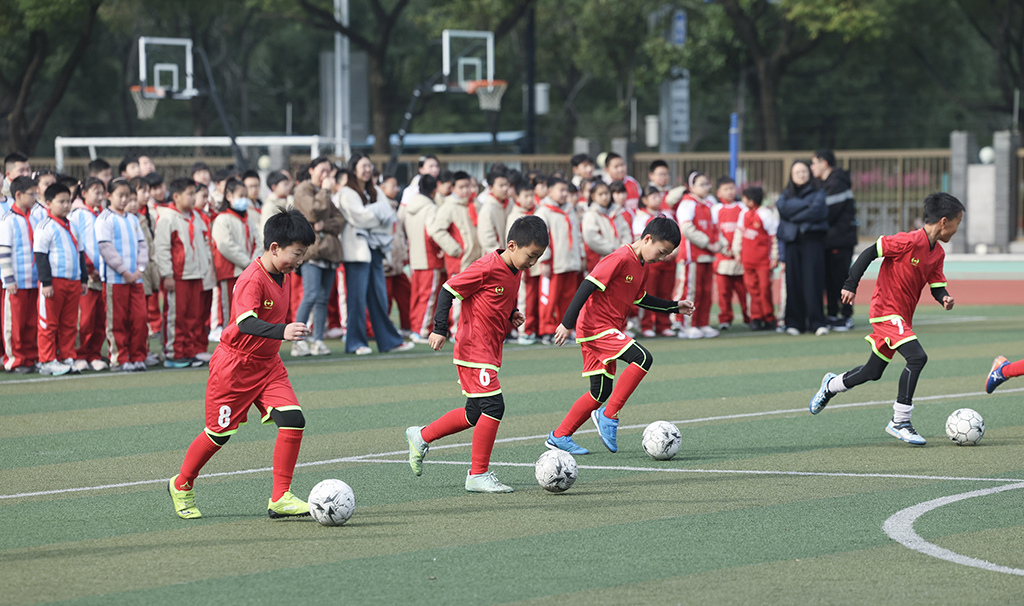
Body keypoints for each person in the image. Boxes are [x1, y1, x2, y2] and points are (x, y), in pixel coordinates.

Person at [168, 210, 317, 520]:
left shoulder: (284, 274)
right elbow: (246, 322)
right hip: (234, 366)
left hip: (268, 365)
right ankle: (181, 484)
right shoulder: (251, 278)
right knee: (218, 434)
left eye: (303, 254)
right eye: (297, 253)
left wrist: (288, 329)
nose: (299, 260)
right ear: (275, 248)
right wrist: (283, 331)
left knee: (293, 419)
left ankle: (281, 497)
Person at [405, 216, 549, 492]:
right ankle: (477, 474)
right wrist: (439, 329)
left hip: (490, 350)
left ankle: (421, 436)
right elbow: (448, 290)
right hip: (474, 348)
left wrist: (511, 314)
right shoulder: (485, 267)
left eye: (537, 257)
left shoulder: (514, 269)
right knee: (494, 406)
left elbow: (494, 298)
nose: (532, 263)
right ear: (512, 245)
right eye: (531, 256)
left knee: (474, 412)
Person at [809, 192, 963, 445]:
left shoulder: (938, 253)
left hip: (902, 318)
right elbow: (870, 252)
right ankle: (900, 420)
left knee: (873, 371)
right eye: (958, 222)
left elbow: (935, 284)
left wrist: (943, 297)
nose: (958, 228)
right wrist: (850, 284)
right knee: (917, 357)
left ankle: (831, 385)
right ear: (944, 221)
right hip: (885, 311)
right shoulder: (908, 240)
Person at [545, 217, 693, 455]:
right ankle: (609, 416)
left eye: (667, 255)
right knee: (643, 358)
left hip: (607, 329)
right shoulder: (620, 258)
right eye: (661, 251)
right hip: (596, 327)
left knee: (599, 392)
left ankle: (560, 435)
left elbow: (641, 298)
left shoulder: (642, 265)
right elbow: (587, 284)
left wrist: (674, 306)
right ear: (647, 239)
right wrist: (566, 323)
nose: (662, 258)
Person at [339, 153, 413, 355]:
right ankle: (355, 343)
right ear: (353, 169)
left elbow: (388, 216)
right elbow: (359, 218)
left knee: (379, 296)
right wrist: (377, 215)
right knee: (356, 298)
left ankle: (389, 341)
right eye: (363, 166)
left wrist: (375, 215)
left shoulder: (375, 191)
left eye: (369, 166)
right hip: (356, 252)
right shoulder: (347, 192)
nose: (367, 169)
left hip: (377, 250)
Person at [291, 155, 345, 357]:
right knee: (310, 295)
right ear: (311, 170)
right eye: (322, 170)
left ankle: (318, 341)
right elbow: (314, 212)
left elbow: (339, 220)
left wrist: (324, 225)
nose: (326, 175)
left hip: (329, 253)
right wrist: (325, 191)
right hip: (311, 252)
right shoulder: (303, 189)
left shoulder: (323, 192)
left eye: (329, 171)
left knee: (322, 299)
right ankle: (298, 341)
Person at [96, 179, 150, 371]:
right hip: (115, 280)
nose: (124, 199)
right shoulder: (104, 219)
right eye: (120, 195)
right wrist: (124, 271)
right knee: (117, 320)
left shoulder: (133, 219)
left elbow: (143, 245)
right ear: (109, 196)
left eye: (127, 195)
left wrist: (139, 270)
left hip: (136, 279)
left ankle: (138, 356)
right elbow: (105, 248)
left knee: (140, 318)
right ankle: (120, 358)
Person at [33, 183, 86, 376]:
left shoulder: (72, 225)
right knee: (48, 322)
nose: (66, 205)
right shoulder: (45, 226)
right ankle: (47, 360)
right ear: (48, 203)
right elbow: (40, 256)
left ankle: (67, 356)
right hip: (54, 283)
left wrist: (84, 279)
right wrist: (45, 282)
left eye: (68, 201)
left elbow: (80, 252)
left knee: (69, 323)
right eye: (61, 201)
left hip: (73, 281)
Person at [154, 178, 207, 368]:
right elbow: (162, 248)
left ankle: (189, 351)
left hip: (196, 274)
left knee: (193, 316)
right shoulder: (168, 217)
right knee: (176, 315)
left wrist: (205, 266)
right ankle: (173, 353)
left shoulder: (197, 217)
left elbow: (205, 243)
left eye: (194, 193)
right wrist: (167, 274)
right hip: (178, 276)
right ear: (176, 196)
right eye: (190, 194)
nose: (194, 198)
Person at [776, 160, 829, 336]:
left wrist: (795, 214)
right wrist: (806, 205)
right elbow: (782, 208)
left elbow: (818, 211)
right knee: (793, 282)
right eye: (797, 172)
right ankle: (794, 323)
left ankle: (817, 322)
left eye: (804, 171)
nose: (801, 175)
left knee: (813, 282)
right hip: (792, 242)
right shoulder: (785, 195)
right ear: (791, 175)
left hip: (812, 242)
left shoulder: (819, 192)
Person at [812, 149, 858, 332]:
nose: (811, 167)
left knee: (840, 278)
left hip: (840, 240)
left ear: (824, 163)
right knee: (829, 279)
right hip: (829, 241)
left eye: (814, 163)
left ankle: (846, 316)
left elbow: (827, 213)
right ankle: (832, 314)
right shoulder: (824, 183)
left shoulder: (837, 183)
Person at [212, 179, 262, 346]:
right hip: (231, 272)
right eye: (241, 196)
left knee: (249, 309)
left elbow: (258, 242)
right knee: (231, 311)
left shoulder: (247, 219)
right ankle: (229, 343)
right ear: (229, 196)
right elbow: (225, 245)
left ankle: (246, 343)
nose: (244, 199)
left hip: (248, 272)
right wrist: (249, 263)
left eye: (246, 196)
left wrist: (253, 263)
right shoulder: (222, 219)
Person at [534, 176, 584, 343]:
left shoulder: (571, 210)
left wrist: (581, 255)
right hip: (554, 264)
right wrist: (545, 260)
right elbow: (542, 238)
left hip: (570, 263)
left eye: (566, 191)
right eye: (560, 190)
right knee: (549, 298)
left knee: (568, 298)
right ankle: (547, 330)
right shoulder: (543, 211)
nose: (564, 194)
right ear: (550, 191)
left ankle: (566, 329)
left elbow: (577, 236)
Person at [674, 171, 721, 339]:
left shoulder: (709, 204)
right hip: (692, 256)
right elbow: (687, 229)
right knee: (691, 291)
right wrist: (708, 243)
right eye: (702, 184)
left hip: (707, 255)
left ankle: (702, 323)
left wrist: (719, 244)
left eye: (707, 184)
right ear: (691, 187)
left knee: (706, 291)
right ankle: (687, 325)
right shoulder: (687, 204)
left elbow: (715, 227)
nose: (706, 187)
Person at [0, 176, 40, 373]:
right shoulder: (8, 219)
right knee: (14, 323)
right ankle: (15, 359)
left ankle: (30, 357)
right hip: (16, 282)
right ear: (18, 195)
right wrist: (8, 279)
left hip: (33, 281)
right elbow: (3, 251)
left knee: (31, 322)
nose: (35, 197)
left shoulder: (35, 218)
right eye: (32, 194)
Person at [69, 175, 107, 371]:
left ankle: (95, 353)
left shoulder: (103, 214)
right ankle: (80, 354)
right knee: (85, 318)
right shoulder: (78, 214)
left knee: (100, 317)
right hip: (89, 275)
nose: (100, 196)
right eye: (96, 192)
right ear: (83, 194)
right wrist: (89, 268)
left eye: (103, 192)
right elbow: (79, 243)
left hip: (104, 275)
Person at [404, 174, 444, 343]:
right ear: (435, 189)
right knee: (428, 296)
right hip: (429, 257)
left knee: (417, 295)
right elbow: (432, 233)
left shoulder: (410, 205)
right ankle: (420, 330)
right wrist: (440, 249)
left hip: (415, 256)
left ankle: (415, 327)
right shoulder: (431, 208)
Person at [733, 186, 778, 330]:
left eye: (745, 198)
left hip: (763, 261)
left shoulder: (766, 214)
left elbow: (774, 237)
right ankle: (756, 317)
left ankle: (769, 317)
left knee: (764, 289)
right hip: (747, 260)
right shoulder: (744, 213)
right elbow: (739, 233)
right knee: (752, 290)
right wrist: (737, 252)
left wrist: (774, 257)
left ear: (751, 201)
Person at [634, 185, 676, 338]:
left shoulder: (666, 214)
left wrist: (672, 252)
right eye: (653, 196)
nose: (657, 199)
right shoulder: (642, 217)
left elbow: (675, 237)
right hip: (651, 263)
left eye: (659, 196)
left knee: (666, 293)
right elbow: (641, 240)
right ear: (644, 200)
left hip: (668, 262)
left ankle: (663, 324)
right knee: (648, 294)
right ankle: (646, 325)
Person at [711, 176, 749, 331]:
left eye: (732, 188)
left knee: (743, 291)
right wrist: (724, 248)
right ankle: (725, 319)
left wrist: (737, 250)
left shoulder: (743, 207)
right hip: (723, 258)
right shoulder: (715, 209)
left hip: (740, 258)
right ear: (719, 192)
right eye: (726, 189)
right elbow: (714, 231)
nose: (729, 192)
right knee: (723, 293)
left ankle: (749, 317)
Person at [508, 180, 542, 345]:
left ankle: (533, 329)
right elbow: (512, 244)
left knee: (534, 297)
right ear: (517, 196)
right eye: (526, 195)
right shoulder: (515, 216)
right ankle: (524, 331)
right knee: (524, 298)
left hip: (533, 263)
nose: (530, 199)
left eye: (532, 195)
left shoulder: (536, 214)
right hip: (521, 264)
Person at [381, 174, 412, 334]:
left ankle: (407, 325)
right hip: (387, 262)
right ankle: (384, 329)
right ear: (382, 186)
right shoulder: (380, 206)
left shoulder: (393, 206)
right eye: (392, 186)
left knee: (405, 293)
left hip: (397, 262)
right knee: (385, 298)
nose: (396, 189)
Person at [582, 180, 632, 273]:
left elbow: (626, 232)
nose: (604, 197)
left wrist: (622, 249)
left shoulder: (617, 212)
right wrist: (612, 249)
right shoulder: (591, 214)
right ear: (593, 196)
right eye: (600, 194)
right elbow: (591, 237)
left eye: (606, 193)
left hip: (620, 257)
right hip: (600, 259)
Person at [476, 169, 510, 255]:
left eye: (506, 185)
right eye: (501, 185)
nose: (505, 188)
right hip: (495, 257)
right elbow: (487, 239)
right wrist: (501, 255)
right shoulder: (487, 209)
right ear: (491, 188)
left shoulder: (510, 204)